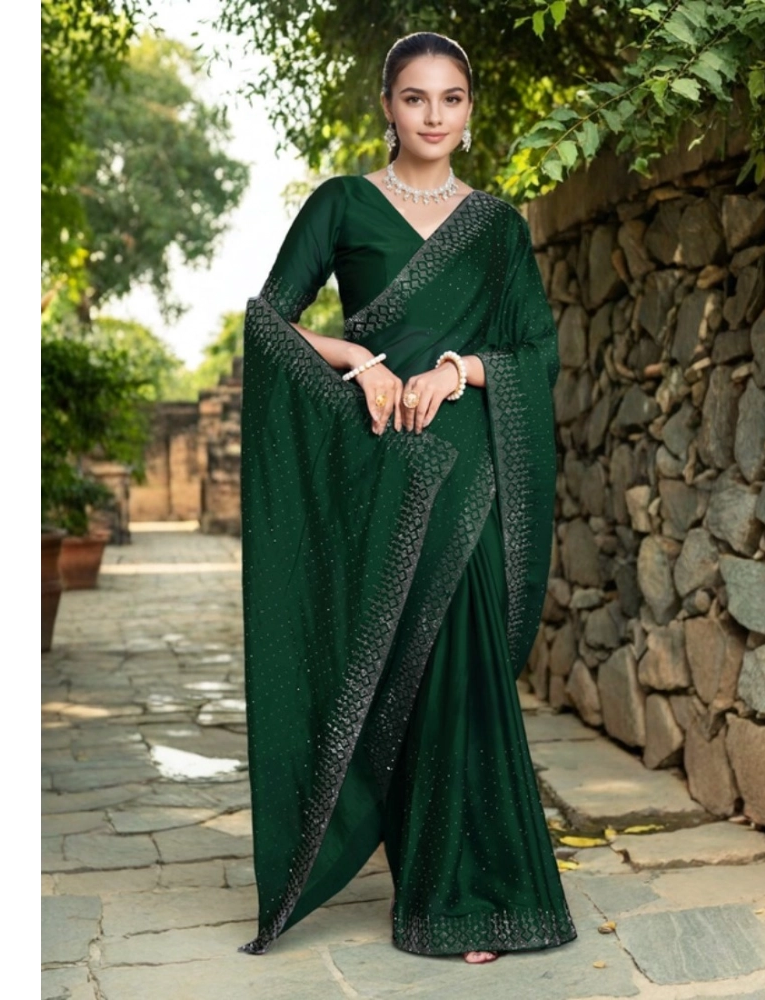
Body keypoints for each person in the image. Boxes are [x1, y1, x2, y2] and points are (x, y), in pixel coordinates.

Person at [238, 31, 577, 965]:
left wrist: (461, 369)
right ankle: (436, 880)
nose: (434, 115)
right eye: (416, 97)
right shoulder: (342, 204)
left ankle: (479, 890)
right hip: (389, 466)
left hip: (475, 469)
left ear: (469, 111)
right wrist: (359, 359)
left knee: (466, 664)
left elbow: (537, 352)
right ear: (388, 105)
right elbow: (269, 323)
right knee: (412, 672)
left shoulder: (498, 227)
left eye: (452, 98)